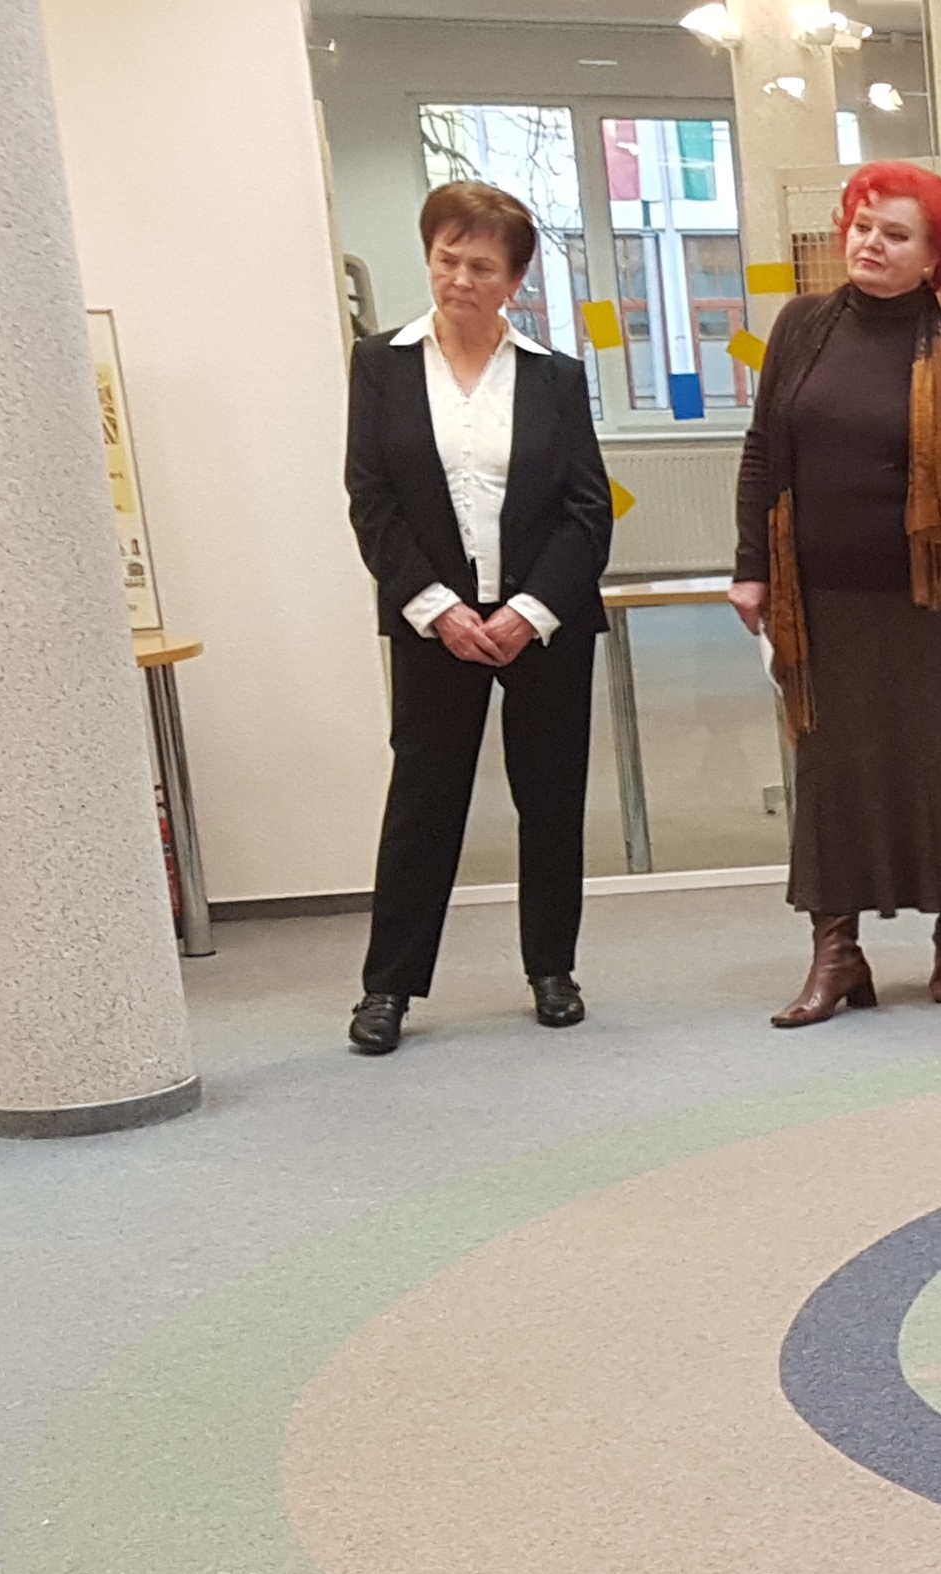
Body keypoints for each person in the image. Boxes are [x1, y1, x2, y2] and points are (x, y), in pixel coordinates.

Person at [732, 162, 941, 1028]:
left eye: (896, 234)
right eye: (862, 226)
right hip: (823, 598)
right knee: (833, 771)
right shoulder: (801, 327)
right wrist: (752, 565)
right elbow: (763, 452)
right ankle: (837, 951)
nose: (870, 244)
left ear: (936, 256)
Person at [340, 180, 614, 1058]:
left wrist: (528, 611)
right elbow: (372, 500)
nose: (460, 279)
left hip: (544, 626)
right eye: (446, 259)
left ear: (515, 280)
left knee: (551, 800)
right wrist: (439, 609)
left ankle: (552, 970)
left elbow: (586, 511)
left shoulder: (554, 377)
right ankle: (388, 987)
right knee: (423, 805)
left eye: (482, 266)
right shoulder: (381, 365)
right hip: (435, 628)